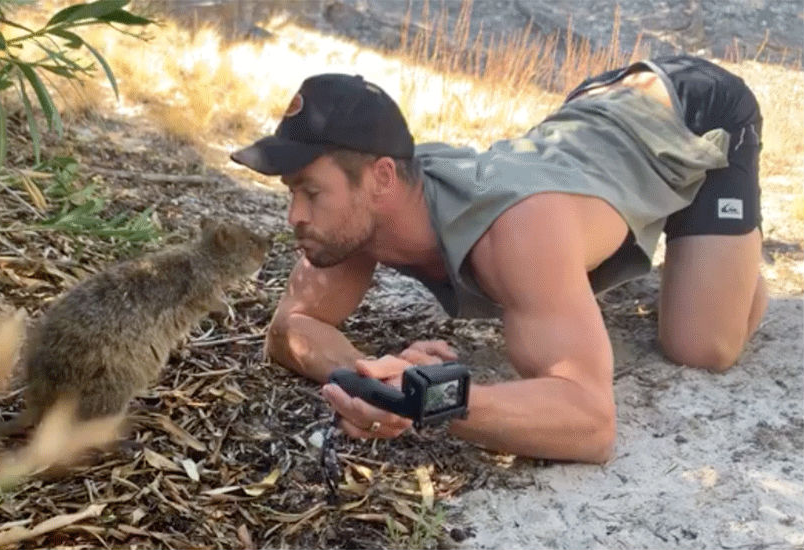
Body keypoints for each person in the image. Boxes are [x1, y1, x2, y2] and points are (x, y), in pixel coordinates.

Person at [230, 55, 766, 463]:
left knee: (701, 344)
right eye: (291, 193)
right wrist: (376, 384)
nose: (294, 216)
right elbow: (291, 329)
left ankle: (716, 237)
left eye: (311, 193)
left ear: (382, 178)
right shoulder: (358, 217)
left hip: (692, 110)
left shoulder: (515, 233)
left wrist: (428, 401)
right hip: (592, 112)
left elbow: (591, 423)